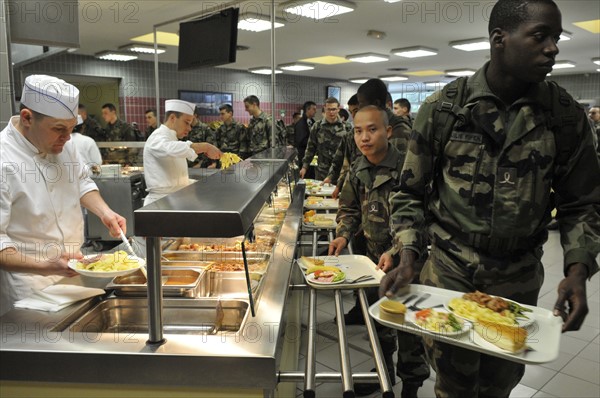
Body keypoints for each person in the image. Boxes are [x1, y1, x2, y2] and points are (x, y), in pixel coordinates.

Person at [381, 1, 600, 397]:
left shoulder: (564, 116)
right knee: (453, 384)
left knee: (500, 385)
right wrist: (409, 255)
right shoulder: (445, 108)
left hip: (518, 278)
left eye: (556, 38)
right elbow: (409, 193)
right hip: (451, 272)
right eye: (540, 36)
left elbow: (581, 203)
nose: (553, 48)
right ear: (500, 40)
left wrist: (578, 267)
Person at [0, 75, 127, 316]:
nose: (67, 138)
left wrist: (105, 212)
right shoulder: (3, 160)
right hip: (27, 286)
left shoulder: (65, 144)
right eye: (59, 129)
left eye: (71, 129)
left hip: (74, 272)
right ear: (27, 118)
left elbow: (81, 181)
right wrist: (45, 266)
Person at [328, 106, 429, 397]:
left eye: (372, 129)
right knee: (379, 318)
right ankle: (382, 372)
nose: (364, 137)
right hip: (371, 261)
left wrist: (397, 249)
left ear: (387, 131)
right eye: (358, 131)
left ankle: (411, 385)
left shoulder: (408, 168)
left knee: (409, 325)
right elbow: (348, 209)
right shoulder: (358, 168)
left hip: (407, 261)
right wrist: (343, 235)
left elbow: (420, 216)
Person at [143, 99, 221, 205]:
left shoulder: (172, 139)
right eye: (187, 122)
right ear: (173, 118)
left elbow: (177, 182)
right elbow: (171, 148)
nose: (189, 128)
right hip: (160, 203)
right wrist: (205, 147)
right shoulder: (157, 137)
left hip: (175, 200)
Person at [299, 97, 352, 180]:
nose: (331, 112)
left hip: (340, 173)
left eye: (334, 109)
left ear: (338, 109)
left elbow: (350, 151)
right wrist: (304, 167)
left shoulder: (346, 127)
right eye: (329, 109)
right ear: (324, 109)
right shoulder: (317, 126)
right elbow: (310, 148)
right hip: (322, 172)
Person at [294, 101, 317, 169]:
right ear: (308, 109)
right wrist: (315, 142)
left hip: (312, 156)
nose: (315, 111)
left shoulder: (313, 122)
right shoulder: (301, 124)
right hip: (303, 156)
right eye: (314, 109)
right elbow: (300, 141)